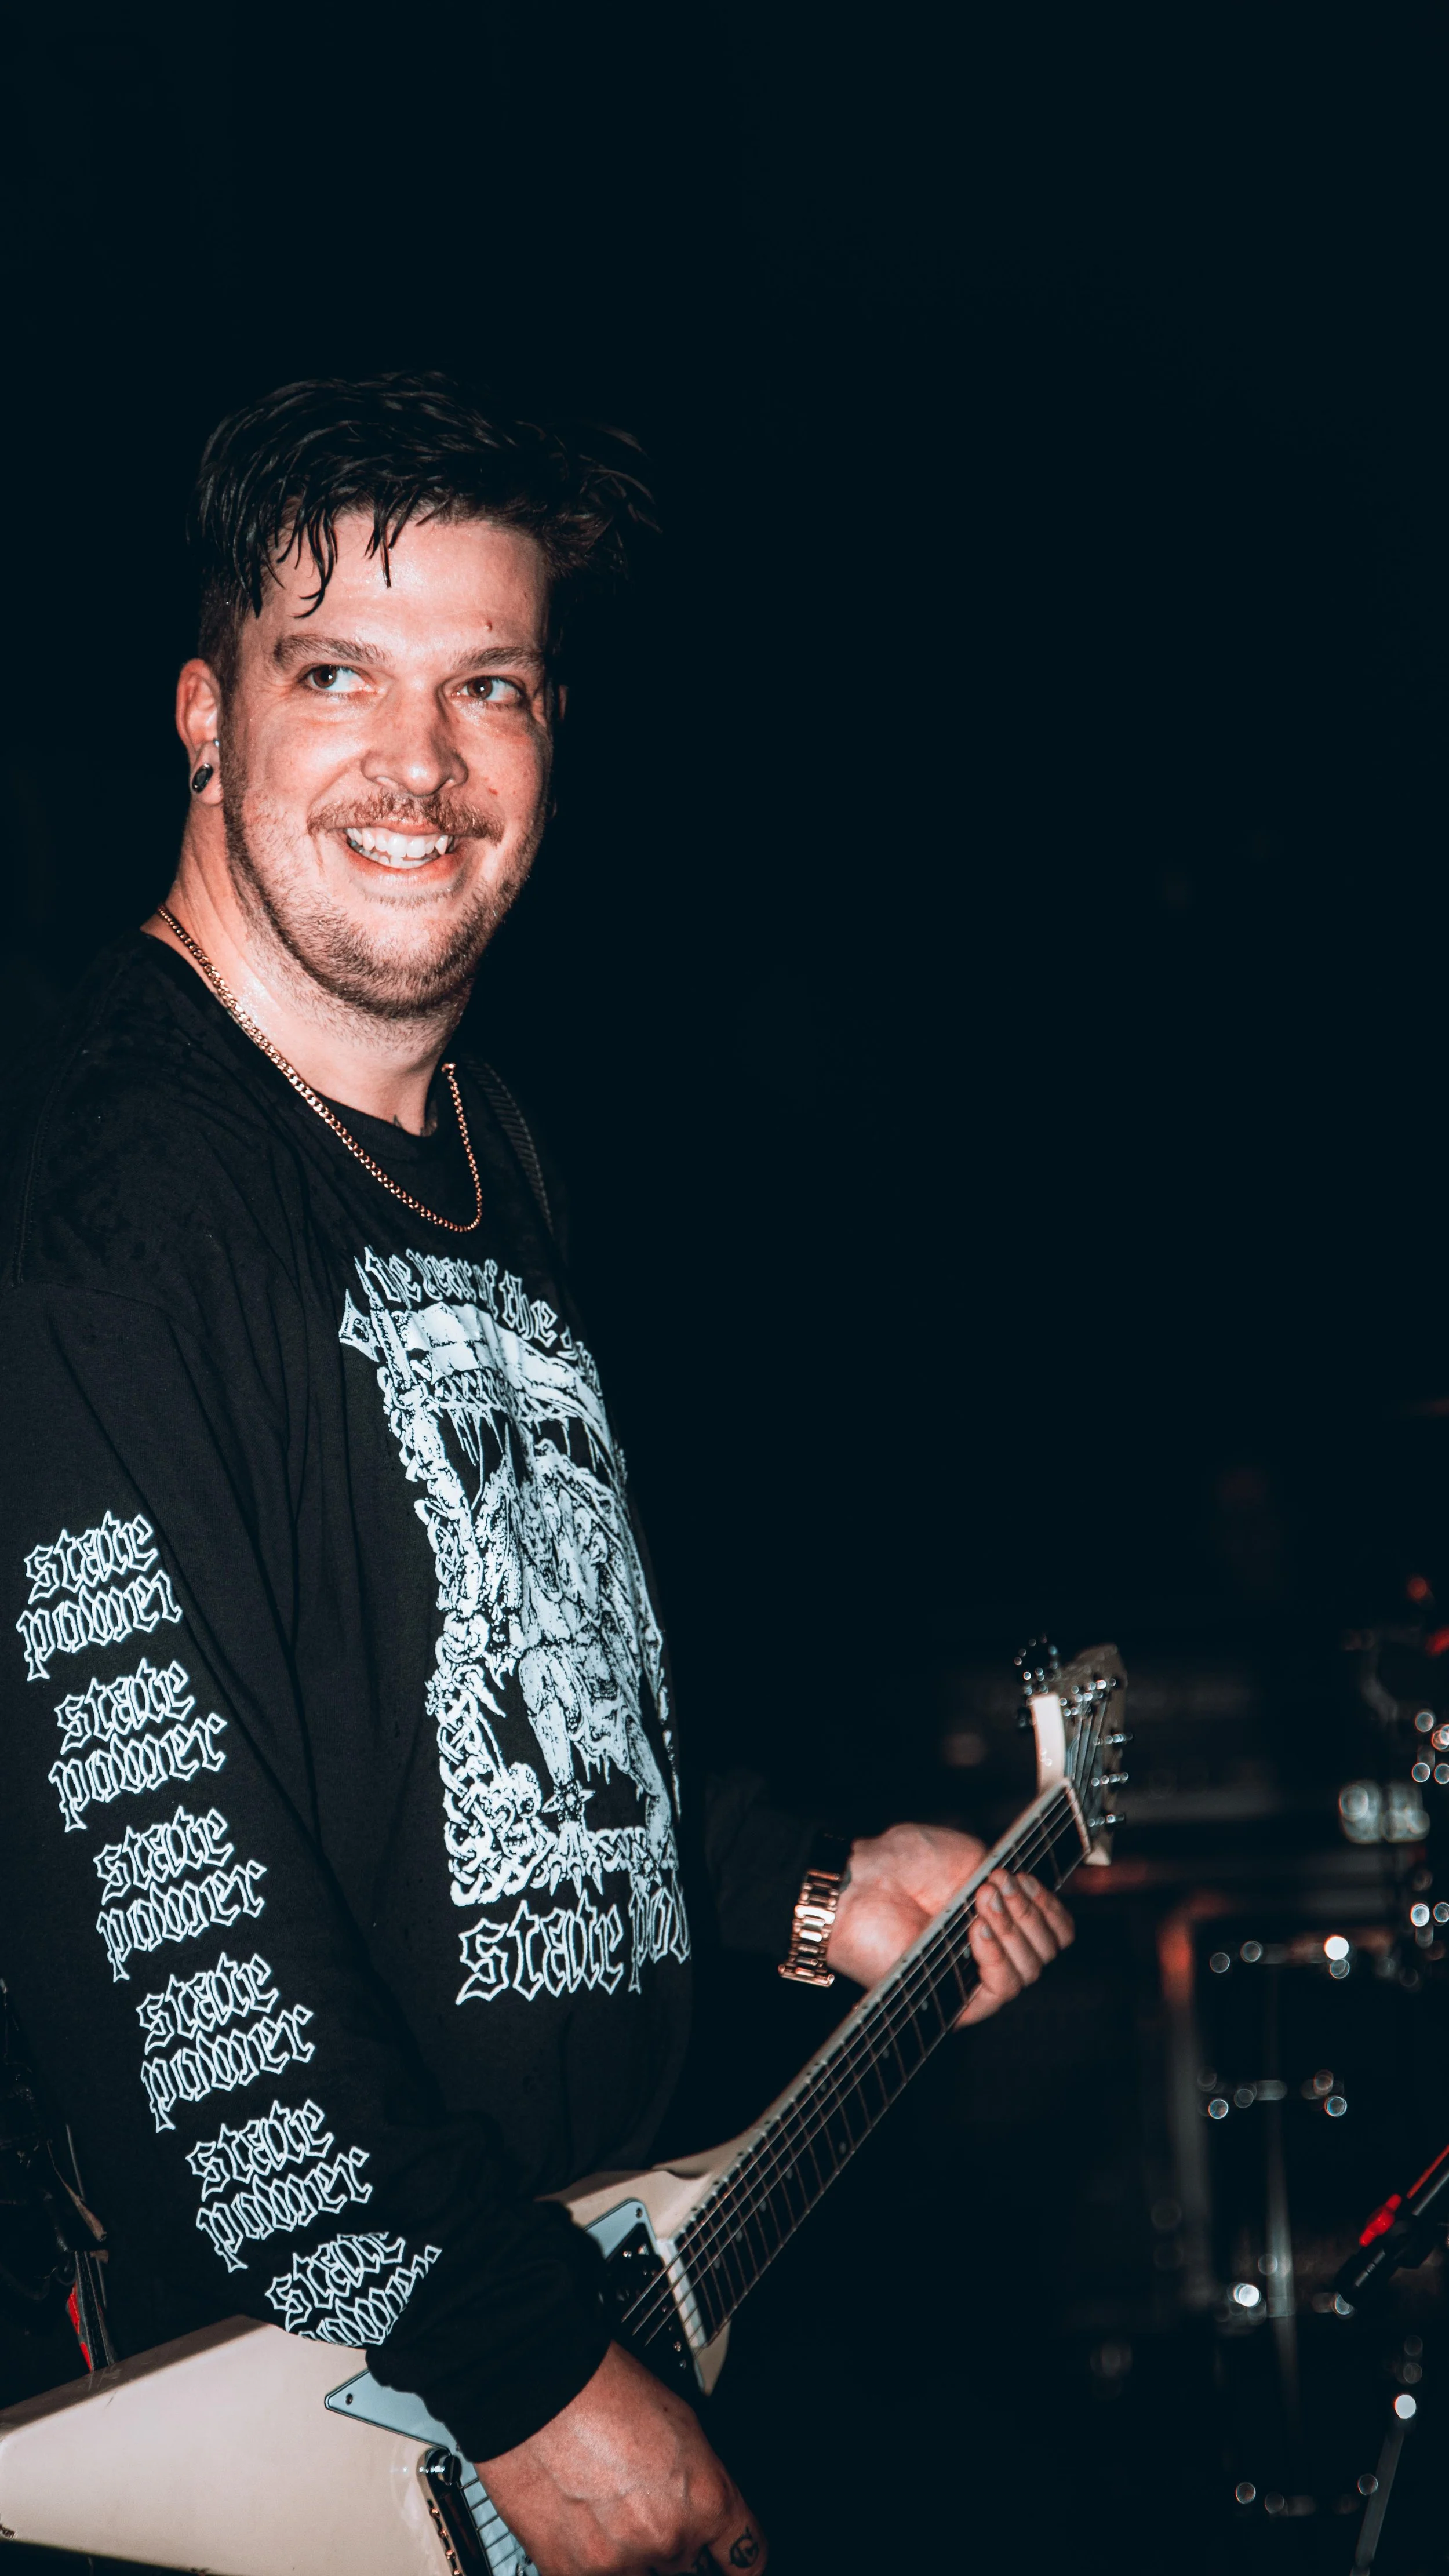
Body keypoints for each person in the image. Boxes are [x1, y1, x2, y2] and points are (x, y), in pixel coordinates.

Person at [0, 374, 1072, 2576]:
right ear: (204, 716)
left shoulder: (497, 1152)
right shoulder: (112, 1206)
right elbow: (181, 1929)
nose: (421, 767)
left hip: (556, 2296)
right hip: (293, 2434)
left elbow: (507, 1730)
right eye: (338, 680)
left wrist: (802, 1885)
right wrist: (525, 2376)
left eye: (485, 685)